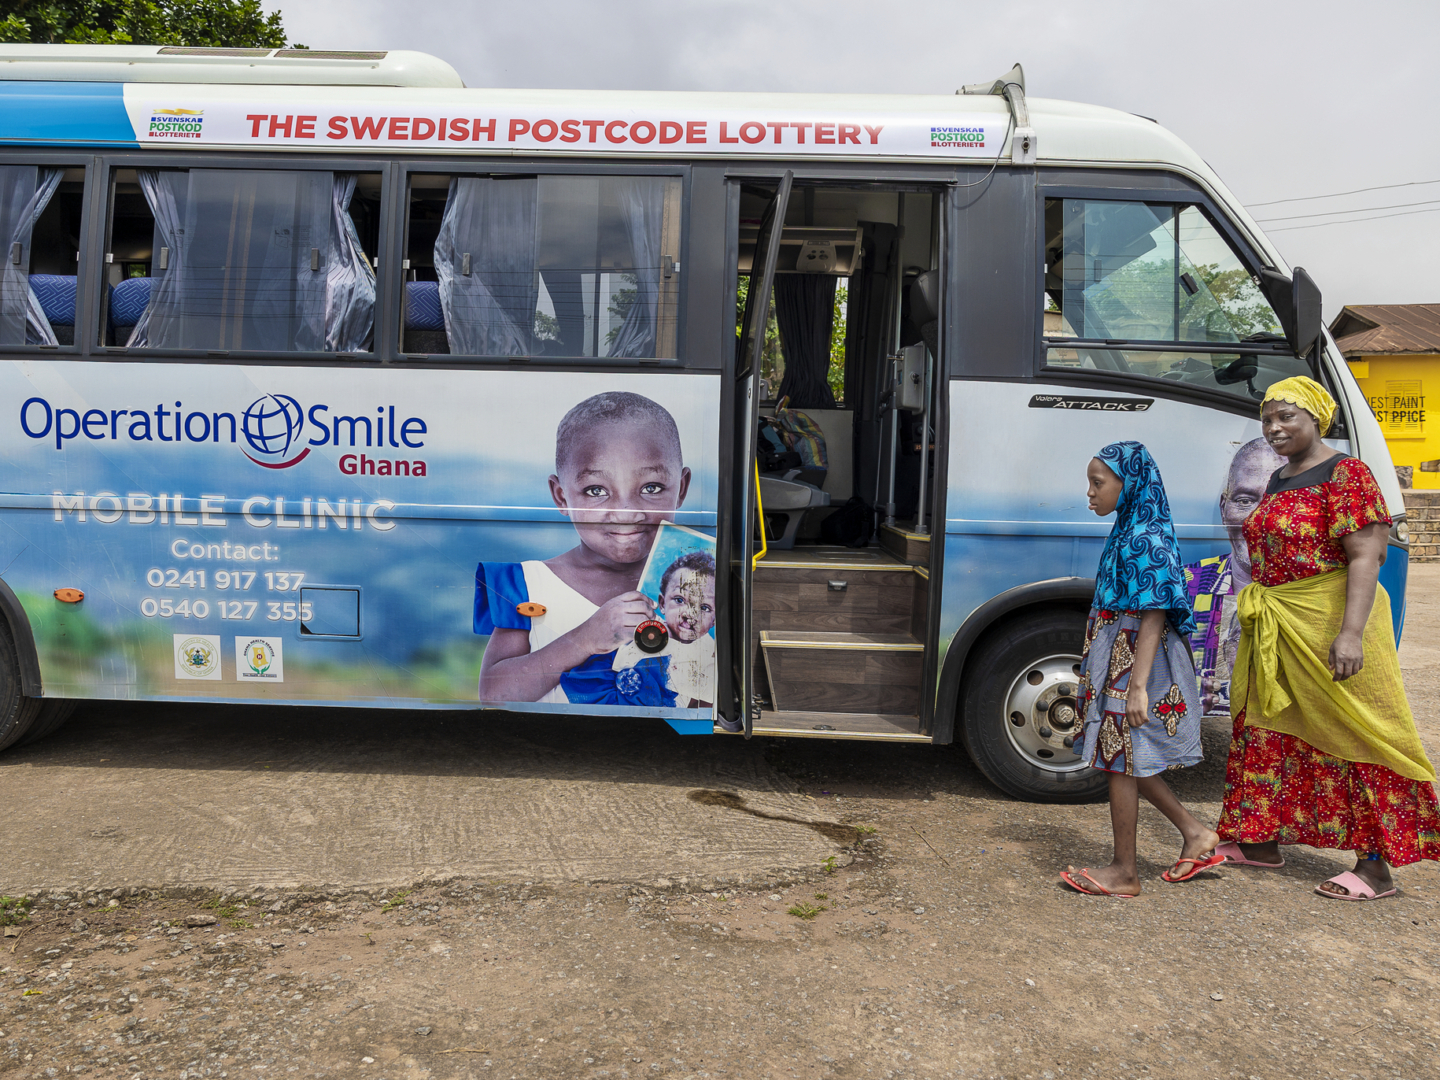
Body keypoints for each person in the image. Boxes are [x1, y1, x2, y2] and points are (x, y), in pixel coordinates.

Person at [1217, 376, 1439, 899]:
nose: (1274, 428)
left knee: (1355, 731)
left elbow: (1367, 556)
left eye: (1286, 417)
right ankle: (1260, 841)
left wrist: (1351, 634)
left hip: (1328, 622)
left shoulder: (1347, 473)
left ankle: (1375, 868)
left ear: (1317, 418)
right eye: (1267, 419)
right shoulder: (1279, 478)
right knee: (1267, 727)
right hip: (1280, 625)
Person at [1061, 442, 1221, 898]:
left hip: (1136, 659)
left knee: (1119, 757)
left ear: (1128, 484)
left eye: (1098, 483)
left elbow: (1153, 613)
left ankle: (1125, 872)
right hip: (1121, 652)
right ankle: (1195, 833)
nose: (1090, 492)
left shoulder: (1145, 536)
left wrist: (1138, 687)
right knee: (1122, 756)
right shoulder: (1130, 527)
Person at [474, 391, 691, 705]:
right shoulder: (527, 585)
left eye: (651, 487)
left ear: (681, 489)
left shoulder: (700, 586)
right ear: (561, 496)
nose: (625, 513)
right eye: (596, 490)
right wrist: (585, 639)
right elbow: (494, 696)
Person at [1185, 438, 1286, 715]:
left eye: (1277, 501)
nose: (1257, 520)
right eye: (1244, 501)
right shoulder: (1181, 587)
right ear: (1223, 508)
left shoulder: (1318, 596)